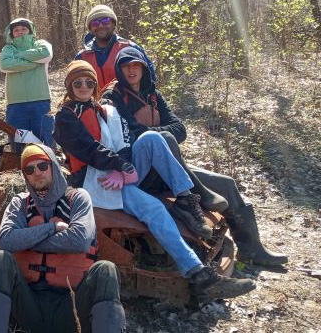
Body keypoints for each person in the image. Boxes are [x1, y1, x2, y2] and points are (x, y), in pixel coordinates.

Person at [53, 60, 256, 301]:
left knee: (152, 138)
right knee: (154, 209)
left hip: (118, 172)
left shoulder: (104, 111)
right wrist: (121, 166)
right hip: (95, 180)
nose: (84, 86)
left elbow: (125, 143)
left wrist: (123, 167)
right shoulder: (65, 117)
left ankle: (184, 196)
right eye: (78, 83)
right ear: (69, 86)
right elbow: (88, 149)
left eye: (89, 82)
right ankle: (199, 275)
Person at [102, 47, 288, 266]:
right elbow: (129, 133)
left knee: (227, 184)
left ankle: (251, 249)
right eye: (125, 66)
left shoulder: (153, 94)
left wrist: (160, 135)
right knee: (163, 139)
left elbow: (181, 129)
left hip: (169, 165)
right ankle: (198, 192)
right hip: (141, 170)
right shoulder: (113, 96)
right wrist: (160, 136)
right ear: (118, 69)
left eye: (136, 65)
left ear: (144, 68)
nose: (131, 70)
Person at [0, 143, 125, 333]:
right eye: (30, 169)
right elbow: (6, 240)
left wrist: (28, 242)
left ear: (53, 166)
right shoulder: (20, 203)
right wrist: (52, 228)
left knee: (106, 269)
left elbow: (79, 241)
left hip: (72, 307)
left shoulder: (79, 198)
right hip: (28, 305)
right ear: (25, 175)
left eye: (42, 166)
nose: (37, 172)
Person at [0, 18, 54, 151]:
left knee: (45, 140)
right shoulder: (8, 49)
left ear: (30, 30)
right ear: (12, 34)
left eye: (24, 29)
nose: (20, 32)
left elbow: (46, 54)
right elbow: (5, 65)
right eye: (16, 30)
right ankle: (21, 168)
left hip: (41, 100)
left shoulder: (41, 43)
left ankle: (49, 168)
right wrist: (34, 62)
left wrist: (19, 56)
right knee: (19, 141)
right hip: (15, 104)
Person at [75, 4, 156, 92]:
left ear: (113, 24)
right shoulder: (82, 57)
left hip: (128, 104)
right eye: (95, 23)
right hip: (94, 105)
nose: (101, 25)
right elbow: (74, 86)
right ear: (90, 29)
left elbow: (150, 79)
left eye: (106, 21)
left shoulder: (130, 48)